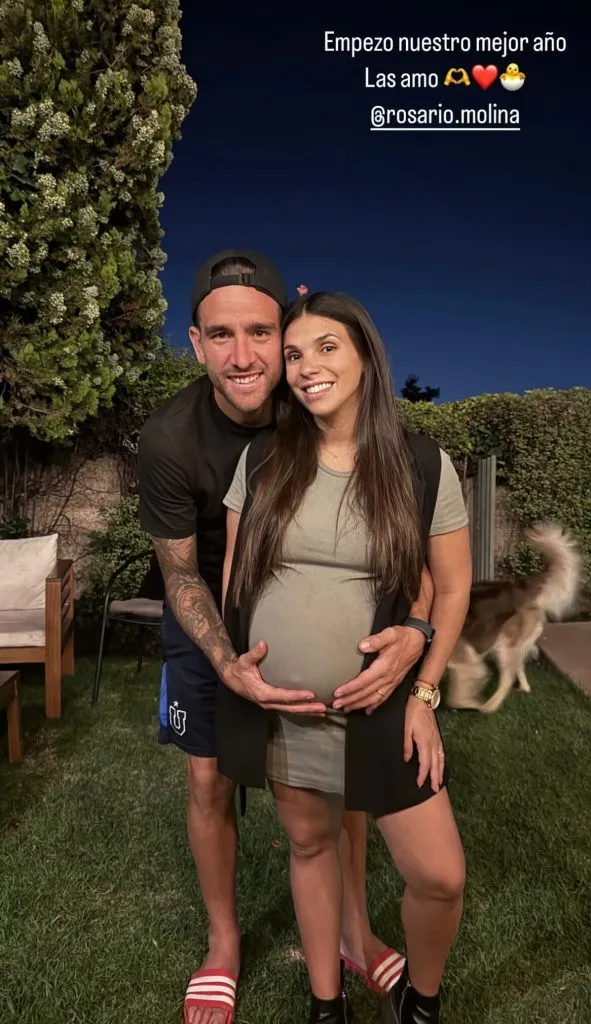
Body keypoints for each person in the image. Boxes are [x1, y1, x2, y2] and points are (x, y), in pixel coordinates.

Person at [137, 252, 437, 1024]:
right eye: (221, 335)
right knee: (208, 780)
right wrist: (226, 659)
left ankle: (354, 932)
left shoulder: (311, 400)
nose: (246, 356)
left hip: (307, 606)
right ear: (195, 343)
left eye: (263, 333)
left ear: (286, 335)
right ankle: (224, 941)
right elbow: (180, 575)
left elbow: (402, 532)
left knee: (340, 783)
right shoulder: (171, 439)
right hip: (208, 607)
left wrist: (413, 625)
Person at [219, 290, 472, 1024]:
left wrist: (423, 688)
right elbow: (236, 577)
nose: (305, 367)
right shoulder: (263, 457)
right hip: (285, 708)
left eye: (326, 347)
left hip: (381, 704)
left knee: (438, 875)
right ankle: (324, 1008)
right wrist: (242, 667)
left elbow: (449, 589)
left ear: (364, 356)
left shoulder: (420, 465)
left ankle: (421, 1005)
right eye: (293, 354)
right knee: (309, 845)